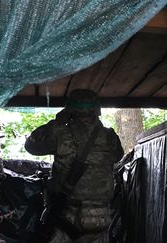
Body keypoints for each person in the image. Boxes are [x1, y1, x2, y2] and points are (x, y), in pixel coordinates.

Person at [25, 89, 124, 243]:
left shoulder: (59, 133)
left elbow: (31, 146)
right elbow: (118, 156)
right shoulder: (109, 137)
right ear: (97, 109)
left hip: (67, 214)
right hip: (100, 216)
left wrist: (57, 122)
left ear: (69, 109)